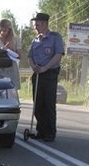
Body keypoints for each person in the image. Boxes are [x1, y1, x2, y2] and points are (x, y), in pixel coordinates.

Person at [27, 12, 65, 142]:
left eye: (38, 24)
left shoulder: (55, 37)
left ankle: (50, 133)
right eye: (35, 25)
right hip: (37, 74)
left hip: (49, 74)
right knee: (38, 105)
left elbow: (58, 55)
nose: (36, 27)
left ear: (44, 24)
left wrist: (45, 68)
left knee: (48, 104)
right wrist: (34, 67)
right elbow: (30, 57)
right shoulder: (35, 40)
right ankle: (41, 130)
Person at [0, 19, 22, 89]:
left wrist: (10, 50)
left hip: (11, 69)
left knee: (12, 90)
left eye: (4, 30)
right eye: (0, 30)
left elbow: (19, 56)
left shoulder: (15, 39)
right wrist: (1, 51)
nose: (2, 33)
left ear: (9, 30)